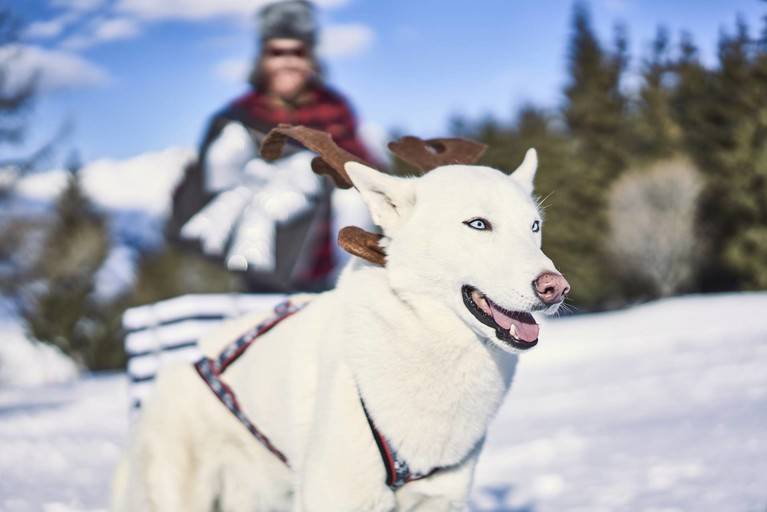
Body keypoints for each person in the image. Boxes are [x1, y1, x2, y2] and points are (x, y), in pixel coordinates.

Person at [169, 0, 374, 293]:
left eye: (298, 53)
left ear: (311, 58)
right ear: (263, 58)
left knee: (352, 199)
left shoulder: (335, 108)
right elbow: (205, 184)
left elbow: (361, 168)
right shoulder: (239, 116)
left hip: (323, 267)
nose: (288, 62)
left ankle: (353, 282)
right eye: (278, 53)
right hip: (252, 269)